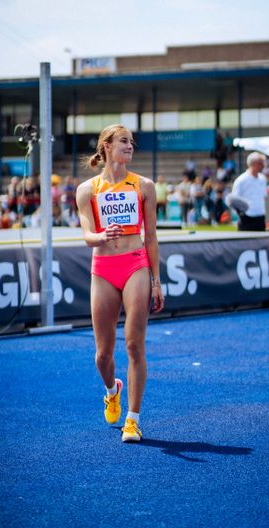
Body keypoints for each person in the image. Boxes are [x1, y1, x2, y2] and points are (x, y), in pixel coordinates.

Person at [76, 124, 165, 443]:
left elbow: (151, 236)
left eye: (131, 142)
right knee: (102, 355)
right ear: (107, 147)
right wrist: (101, 236)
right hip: (103, 267)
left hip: (136, 263)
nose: (130, 146)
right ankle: (112, 390)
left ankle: (133, 419)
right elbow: (87, 234)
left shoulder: (144, 186)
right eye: (123, 141)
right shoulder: (87, 189)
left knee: (133, 344)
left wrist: (156, 280)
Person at [231, 152, 267, 231]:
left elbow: (263, 197)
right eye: (260, 163)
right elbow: (234, 200)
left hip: (260, 217)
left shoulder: (263, 179)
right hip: (247, 218)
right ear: (253, 164)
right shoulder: (241, 180)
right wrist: (241, 214)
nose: (263, 166)